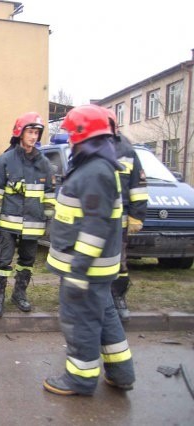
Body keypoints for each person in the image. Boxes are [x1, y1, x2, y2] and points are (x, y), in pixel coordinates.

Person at [44, 104, 135, 396]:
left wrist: (78, 271)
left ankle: (80, 379)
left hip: (86, 269)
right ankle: (121, 373)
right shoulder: (95, 165)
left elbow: (95, 229)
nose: (69, 139)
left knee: (81, 320)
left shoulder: (95, 171)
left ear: (85, 135)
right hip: (98, 270)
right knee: (106, 317)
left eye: (71, 133)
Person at [0, 112, 55, 317]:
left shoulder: (44, 164)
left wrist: (49, 218)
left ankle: (19, 294)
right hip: (8, 222)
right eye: (30, 132)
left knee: (27, 261)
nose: (34, 136)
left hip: (34, 222)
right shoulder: (5, 160)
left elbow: (49, 192)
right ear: (20, 133)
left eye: (36, 132)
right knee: (2, 262)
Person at [104, 107, 148, 322]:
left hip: (119, 221)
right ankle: (100, 299)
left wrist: (137, 216)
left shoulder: (127, 150)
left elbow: (138, 187)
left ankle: (118, 296)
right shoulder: (93, 148)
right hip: (98, 219)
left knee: (119, 261)